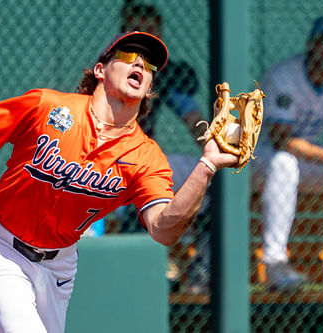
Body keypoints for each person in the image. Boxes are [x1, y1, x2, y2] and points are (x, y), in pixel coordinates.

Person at [0, 31, 238, 332]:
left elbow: (163, 229)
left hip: (59, 266)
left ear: (149, 90)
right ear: (101, 70)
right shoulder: (48, 106)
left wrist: (207, 165)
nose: (141, 66)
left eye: (149, 65)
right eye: (130, 56)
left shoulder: (146, 156)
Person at [120, 1, 211, 294]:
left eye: (151, 31)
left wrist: (213, 149)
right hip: (109, 164)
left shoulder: (164, 72)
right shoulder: (111, 69)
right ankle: (152, 265)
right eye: (138, 31)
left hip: (147, 160)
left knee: (207, 176)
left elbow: (192, 117)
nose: (145, 37)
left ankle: (204, 265)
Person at [252, 16, 323, 290]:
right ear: (310, 44)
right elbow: (281, 140)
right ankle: (275, 263)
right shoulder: (284, 76)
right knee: (284, 163)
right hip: (259, 159)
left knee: (291, 164)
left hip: (308, 162)